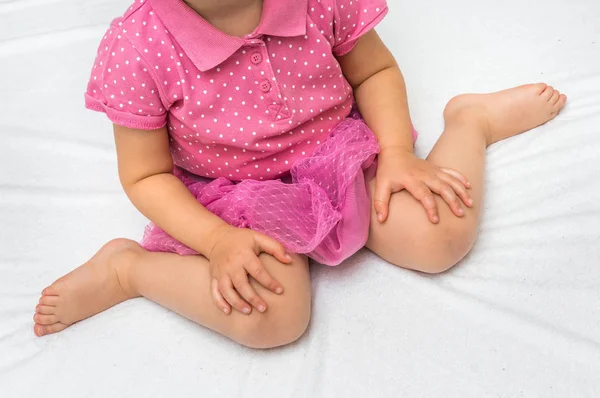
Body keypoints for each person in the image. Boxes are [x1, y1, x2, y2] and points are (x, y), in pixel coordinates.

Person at [33, 0, 567, 348]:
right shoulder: (138, 46)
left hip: (336, 154)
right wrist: (217, 241)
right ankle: (130, 270)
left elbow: (375, 70)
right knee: (271, 318)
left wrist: (399, 153)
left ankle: (469, 122)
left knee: (440, 234)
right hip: (233, 200)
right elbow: (145, 175)